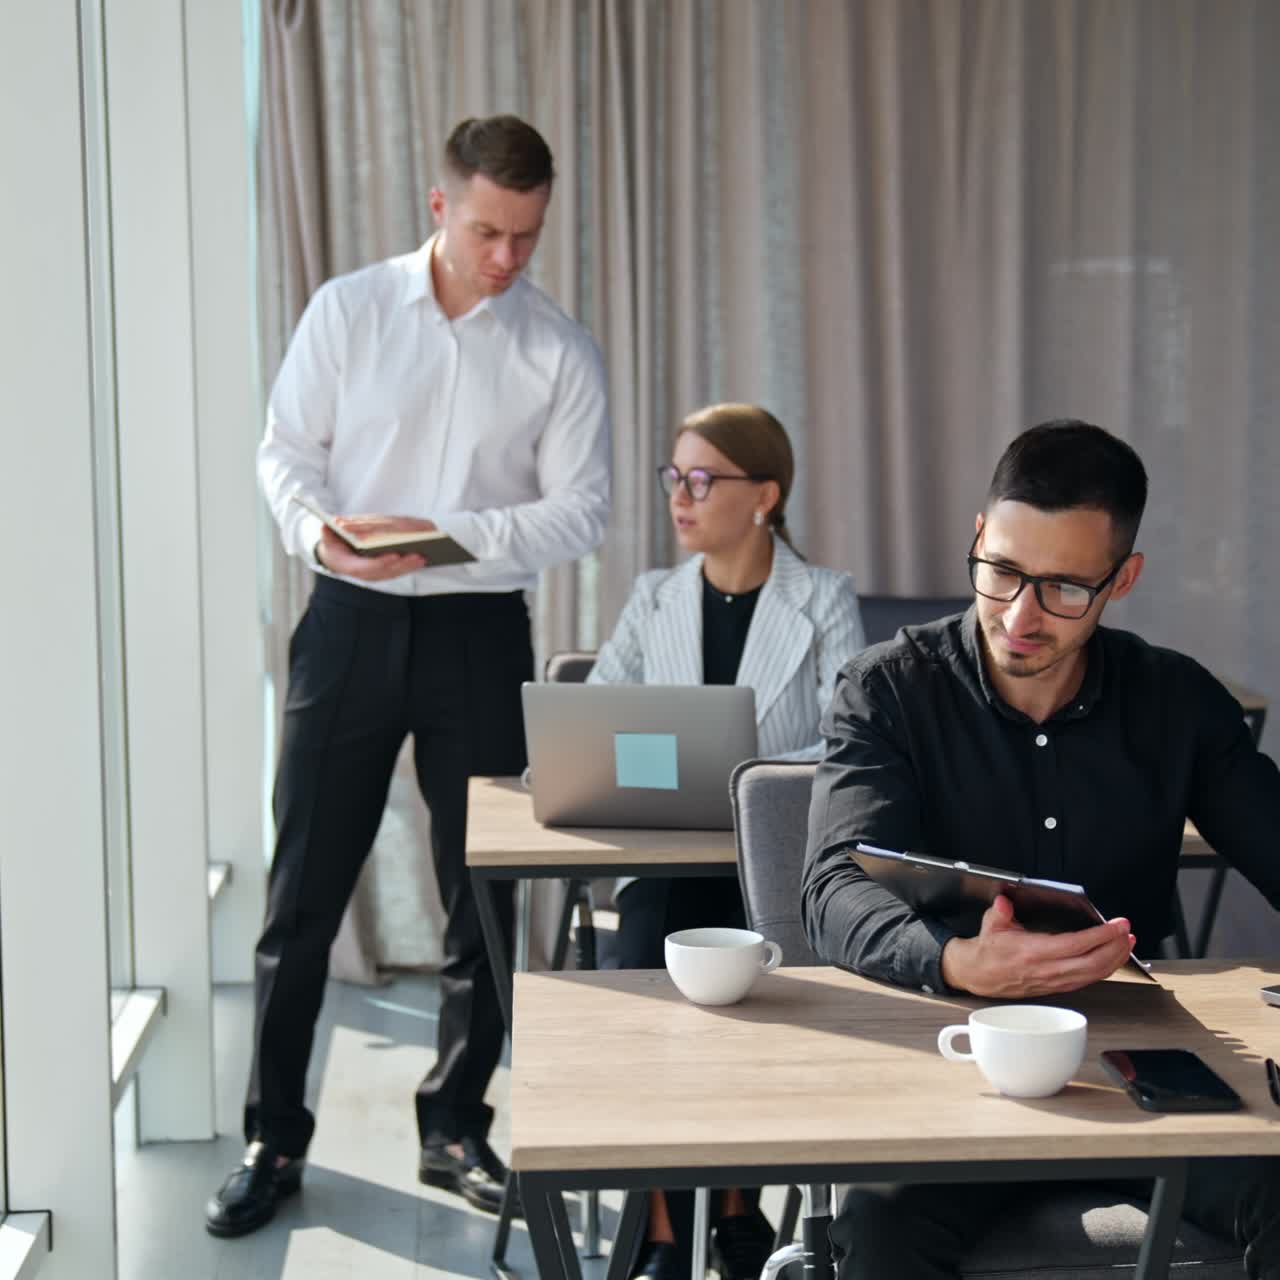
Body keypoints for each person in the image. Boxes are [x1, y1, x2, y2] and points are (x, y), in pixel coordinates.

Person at [205, 115, 611, 1238]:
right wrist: (319, 535)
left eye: (525, 236)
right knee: (301, 896)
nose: (506, 258)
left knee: (480, 890)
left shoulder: (557, 349)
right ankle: (273, 1133)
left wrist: (443, 534)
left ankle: (452, 1123)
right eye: (488, 230)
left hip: (479, 635)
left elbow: (582, 507)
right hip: (343, 623)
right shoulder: (346, 310)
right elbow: (285, 452)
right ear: (440, 207)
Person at [802, 419, 1280, 1279]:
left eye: (1063, 588)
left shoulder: (1177, 700)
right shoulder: (886, 690)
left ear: (1122, 580)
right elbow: (832, 887)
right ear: (979, 537)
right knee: (879, 1233)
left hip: (1140, 1057)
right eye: (1004, 573)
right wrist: (955, 961)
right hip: (951, 1045)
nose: (1021, 615)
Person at [589, 402, 866, 1280]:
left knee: (753, 993)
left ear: (765, 494)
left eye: (702, 479)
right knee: (646, 980)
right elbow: (595, 713)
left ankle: (741, 1209)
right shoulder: (654, 598)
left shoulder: (822, 599)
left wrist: (750, 780)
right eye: (675, 477)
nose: (682, 496)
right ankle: (666, 1229)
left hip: (768, 867)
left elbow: (851, 739)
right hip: (664, 857)